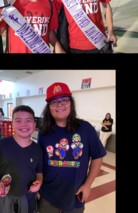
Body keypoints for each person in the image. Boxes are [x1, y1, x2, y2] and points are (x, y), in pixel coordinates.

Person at [37, 82, 106, 213]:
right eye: (54, 102)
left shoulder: (85, 128)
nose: (59, 105)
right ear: (49, 107)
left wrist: (88, 185)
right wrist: (38, 186)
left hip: (75, 195)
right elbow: (39, 163)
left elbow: (98, 157)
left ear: (71, 103)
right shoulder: (43, 132)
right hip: (47, 195)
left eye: (64, 100)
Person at [0, 105, 44, 213]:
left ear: (34, 124)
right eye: (18, 120)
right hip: (2, 197)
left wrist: (39, 182)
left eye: (28, 120)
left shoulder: (38, 149)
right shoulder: (0, 145)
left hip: (27, 197)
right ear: (12, 124)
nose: (24, 124)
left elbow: (39, 173)